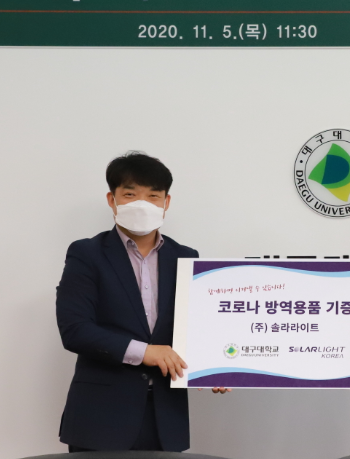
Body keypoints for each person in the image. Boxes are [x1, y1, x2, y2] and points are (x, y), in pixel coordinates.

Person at [55, 152, 226, 453]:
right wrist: (146, 352)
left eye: (153, 196)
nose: (142, 204)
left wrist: (215, 365)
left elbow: (195, 327)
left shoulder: (186, 257)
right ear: (112, 200)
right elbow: (75, 330)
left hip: (166, 416)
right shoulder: (87, 254)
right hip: (100, 416)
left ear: (166, 202)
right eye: (130, 195)